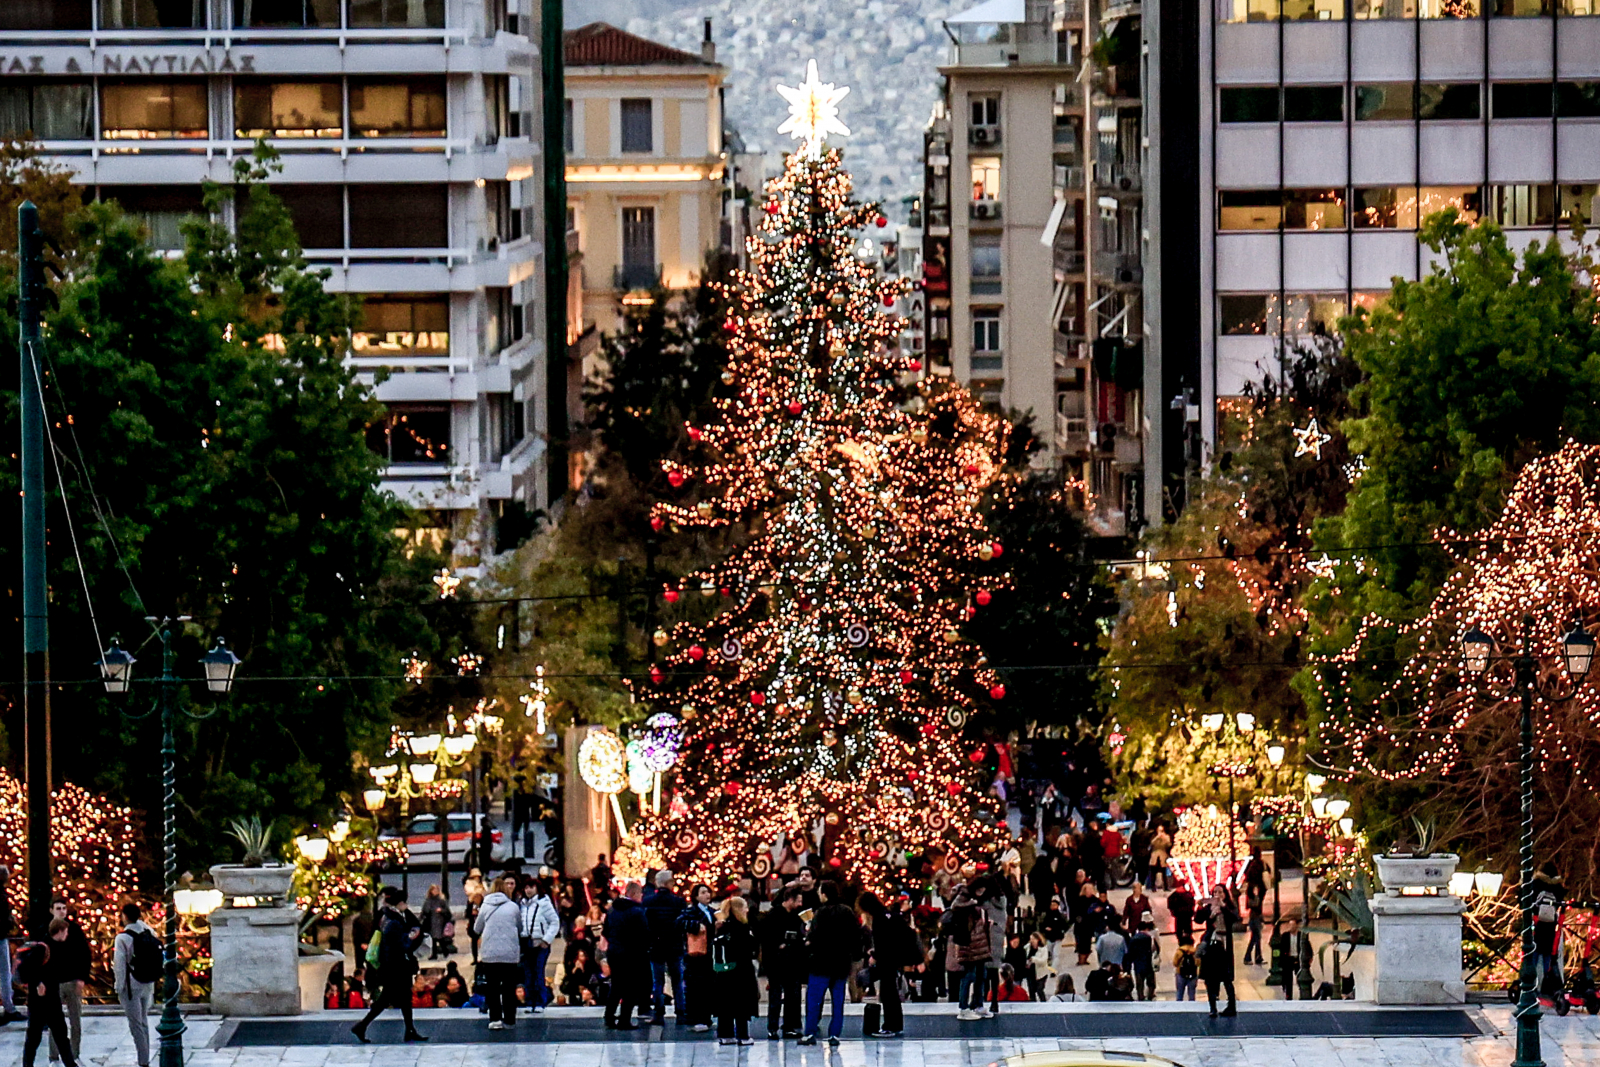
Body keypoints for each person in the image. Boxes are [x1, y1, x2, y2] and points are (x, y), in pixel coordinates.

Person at [351, 887, 428, 1043]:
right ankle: (362, 1025)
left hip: (393, 967)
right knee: (387, 999)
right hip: (396, 967)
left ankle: (410, 1029)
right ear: (399, 903)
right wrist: (412, 937)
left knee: (404, 998)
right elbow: (402, 944)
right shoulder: (394, 922)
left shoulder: (388, 917)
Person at [798, 881, 859, 1046]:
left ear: (824, 894)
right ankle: (834, 1034)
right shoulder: (847, 911)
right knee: (838, 1001)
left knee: (814, 1000)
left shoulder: (821, 913)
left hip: (821, 963)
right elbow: (855, 935)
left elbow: (814, 937)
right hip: (841, 963)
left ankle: (810, 1032)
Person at [19, 924, 77, 1067]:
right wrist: (38, 983)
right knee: (34, 1036)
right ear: (60, 931)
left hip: (52, 997)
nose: (67, 935)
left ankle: (70, 1063)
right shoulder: (43, 948)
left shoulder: (57, 946)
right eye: (66, 932)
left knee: (60, 1034)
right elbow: (25, 969)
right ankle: (27, 1064)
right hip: (39, 1000)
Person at [860, 892, 913, 1037]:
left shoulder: (879, 918)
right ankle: (896, 1024)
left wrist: (875, 955)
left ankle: (891, 1025)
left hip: (886, 960)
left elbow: (882, 942)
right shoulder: (888, 915)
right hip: (894, 958)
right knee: (891, 992)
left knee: (888, 993)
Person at [474, 873, 522, 1031]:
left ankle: (495, 1019)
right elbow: (520, 927)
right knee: (509, 988)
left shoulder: (485, 906)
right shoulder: (513, 907)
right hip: (509, 953)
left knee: (492, 988)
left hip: (490, 953)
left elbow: (476, 928)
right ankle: (510, 1019)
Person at [113, 903, 158, 1067]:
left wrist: (119, 986)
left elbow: (119, 964)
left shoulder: (122, 938)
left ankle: (143, 1060)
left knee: (135, 1023)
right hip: (147, 982)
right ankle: (145, 1056)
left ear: (124, 916)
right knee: (144, 1020)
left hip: (131, 984)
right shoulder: (148, 931)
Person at [711, 896, 759, 1046]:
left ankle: (725, 1035)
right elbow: (751, 948)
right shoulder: (742, 928)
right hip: (741, 972)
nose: (747, 910)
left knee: (725, 1003)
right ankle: (743, 1035)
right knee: (741, 1004)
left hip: (723, 972)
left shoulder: (722, 927)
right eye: (744, 907)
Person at [46, 900, 89, 1064]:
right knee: (55, 1023)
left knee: (75, 1020)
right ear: (52, 910)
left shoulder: (75, 930)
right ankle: (54, 1056)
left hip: (72, 980)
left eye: (64, 908)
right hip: (54, 982)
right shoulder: (47, 932)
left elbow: (84, 955)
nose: (62, 911)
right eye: (58, 908)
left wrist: (81, 978)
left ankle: (75, 1055)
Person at [602, 881, 650, 1030]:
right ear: (634, 894)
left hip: (614, 952)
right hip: (631, 954)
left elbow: (606, 932)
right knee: (630, 988)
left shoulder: (612, 910)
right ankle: (624, 1020)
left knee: (616, 986)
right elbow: (644, 934)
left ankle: (609, 1017)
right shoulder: (637, 911)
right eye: (640, 894)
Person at [760, 886, 806, 1037]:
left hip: (792, 963)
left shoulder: (795, 917)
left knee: (792, 996)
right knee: (775, 996)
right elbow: (766, 939)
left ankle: (789, 1026)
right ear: (790, 900)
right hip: (776, 963)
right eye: (798, 901)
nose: (800, 904)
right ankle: (772, 1028)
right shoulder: (773, 915)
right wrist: (779, 945)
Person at [642, 870, 686, 1025]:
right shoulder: (678, 902)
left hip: (656, 946)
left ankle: (658, 1013)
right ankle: (681, 1013)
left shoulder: (648, 901)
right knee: (677, 981)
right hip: (674, 946)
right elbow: (682, 924)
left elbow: (645, 925)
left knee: (658, 982)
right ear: (668, 883)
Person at [678, 884, 718, 1032]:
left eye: (708, 892)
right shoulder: (690, 912)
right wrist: (695, 926)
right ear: (696, 896)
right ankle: (696, 1018)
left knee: (708, 986)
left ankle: (706, 1017)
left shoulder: (713, 912)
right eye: (703, 892)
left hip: (709, 954)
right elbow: (679, 924)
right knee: (696, 986)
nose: (707, 895)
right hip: (695, 956)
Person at [518, 878, 559, 1014]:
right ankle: (530, 1001)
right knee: (528, 974)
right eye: (526, 888)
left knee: (538, 972)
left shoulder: (544, 903)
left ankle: (541, 1001)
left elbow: (554, 922)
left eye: (531, 887)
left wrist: (546, 940)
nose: (528, 890)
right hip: (526, 943)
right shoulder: (522, 905)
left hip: (540, 943)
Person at [1198, 884, 1239, 1018]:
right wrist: (1205, 910)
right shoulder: (1209, 907)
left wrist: (1223, 906)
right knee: (1210, 978)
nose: (1217, 894)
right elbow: (1198, 919)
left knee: (1226, 978)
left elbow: (1234, 918)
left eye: (1220, 892)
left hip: (1224, 946)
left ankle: (1231, 1006)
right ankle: (1213, 1007)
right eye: (1215, 892)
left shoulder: (1228, 907)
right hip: (1212, 946)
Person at [950, 887, 990, 1021]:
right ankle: (963, 1008)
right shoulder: (965, 901)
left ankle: (978, 1005)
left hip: (979, 946)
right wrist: (972, 903)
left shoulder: (976, 905)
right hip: (969, 946)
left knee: (981, 975)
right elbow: (955, 905)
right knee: (969, 976)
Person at [1532, 862, 1566, 992]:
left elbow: (1528, 899)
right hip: (1551, 924)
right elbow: (1561, 899)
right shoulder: (1557, 886)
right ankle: (1547, 981)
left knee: (1533, 953)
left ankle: (1531, 983)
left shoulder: (1536, 884)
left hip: (1537, 922)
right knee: (1548, 954)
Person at [0, 865, 18, 1023]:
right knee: (4, 974)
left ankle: (8, 1007)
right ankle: (9, 1008)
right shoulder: (2, 896)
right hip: (0, 937)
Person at [420, 884, 452, 960]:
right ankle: (435, 954)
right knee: (433, 939)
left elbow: (448, 912)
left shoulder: (441, 900)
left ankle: (444, 951)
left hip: (440, 922)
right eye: (434, 890)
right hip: (430, 922)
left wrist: (441, 911)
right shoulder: (428, 901)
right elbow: (424, 912)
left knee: (440, 938)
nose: (435, 892)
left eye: (437, 890)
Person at [1127, 920, 1156, 1002]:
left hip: (1138, 964)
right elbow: (1153, 950)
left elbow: (1130, 953)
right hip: (1148, 963)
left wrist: (1128, 965)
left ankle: (1141, 997)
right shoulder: (1149, 938)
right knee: (1151, 983)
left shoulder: (1133, 939)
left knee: (1140, 984)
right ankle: (1150, 997)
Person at [1025, 932, 1053, 1001]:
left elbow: (1043, 961)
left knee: (1039, 990)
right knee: (1031, 991)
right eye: (1031, 939)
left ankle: (1044, 1003)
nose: (1032, 941)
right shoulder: (1027, 947)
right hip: (1030, 973)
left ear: (1038, 939)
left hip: (1041, 974)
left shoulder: (1043, 949)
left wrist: (1034, 959)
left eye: (1034, 939)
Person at [1243, 881, 1265, 966]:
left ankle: (1257, 957)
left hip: (1256, 920)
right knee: (1255, 939)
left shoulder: (1254, 897)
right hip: (1254, 920)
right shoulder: (1251, 898)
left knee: (1256, 939)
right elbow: (1255, 905)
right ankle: (1249, 957)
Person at [1173, 936, 1199, 1002]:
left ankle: (1179, 1007)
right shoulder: (1195, 951)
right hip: (1193, 974)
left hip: (1181, 973)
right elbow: (1198, 963)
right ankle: (1192, 1007)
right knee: (1192, 994)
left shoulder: (1179, 951)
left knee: (1180, 992)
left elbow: (1175, 963)